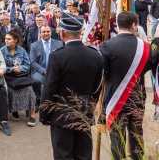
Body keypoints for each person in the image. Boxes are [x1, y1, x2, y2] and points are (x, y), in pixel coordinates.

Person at [40, 12, 103, 160]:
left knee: (63, 155)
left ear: (62, 33)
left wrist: (45, 114)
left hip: (62, 112)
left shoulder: (57, 56)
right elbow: (97, 87)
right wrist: (89, 104)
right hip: (84, 110)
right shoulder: (95, 54)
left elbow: (49, 89)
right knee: (83, 154)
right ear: (80, 32)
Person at [100, 11, 151, 160]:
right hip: (137, 98)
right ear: (134, 25)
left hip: (115, 98)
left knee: (117, 137)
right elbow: (146, 67)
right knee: (136, 134)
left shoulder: (107, 45)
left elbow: (103, 73)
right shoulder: (145, 47)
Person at [0, 28, 36, 126]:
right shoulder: (2, 51)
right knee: (12, 90)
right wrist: (11, 69)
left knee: (29, 90)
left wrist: (20, 68)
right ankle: (14, 110)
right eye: (5, 39)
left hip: (21, 76)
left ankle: (32, 115)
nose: (6, 41)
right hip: (8, 77)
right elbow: (0, 66)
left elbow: (28, 65)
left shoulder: (22, 50)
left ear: (15, 40)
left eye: (9, 39)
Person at [29, 25, 63, 109]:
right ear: (40, 33)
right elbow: (33, 62)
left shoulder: (59, 44)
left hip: (55, 70)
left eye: (48, 31)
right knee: (35, 81)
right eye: (43, 32)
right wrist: (44, 71)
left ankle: (55, 102)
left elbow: (62, 59)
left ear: (51, 33)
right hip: (40, 70)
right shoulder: (34, 45)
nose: (46, 33)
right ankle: (38, 100)